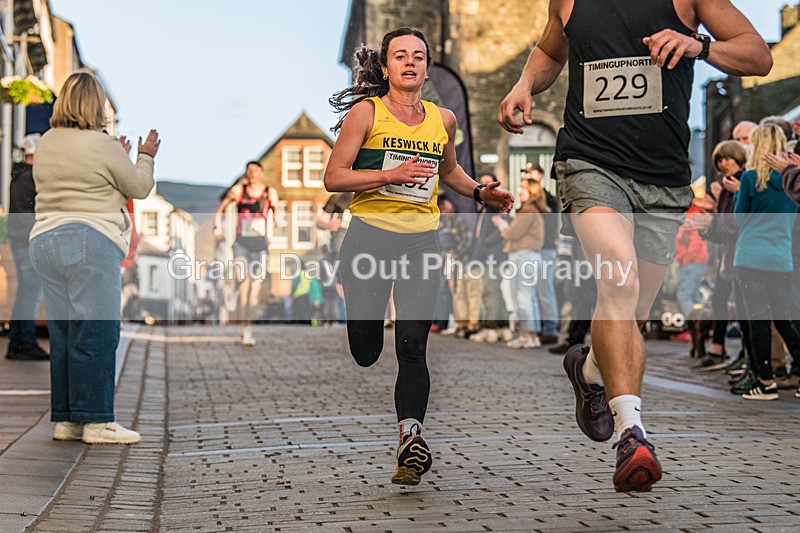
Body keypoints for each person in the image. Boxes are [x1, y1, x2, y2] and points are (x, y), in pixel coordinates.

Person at [498, 0, 771, 491]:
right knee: (617, 278)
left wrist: (698, 44)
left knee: (630, 314)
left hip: (662, 179)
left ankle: (590, 370)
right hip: (589, 162)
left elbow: (757, 56)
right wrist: (522, 84)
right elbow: (549, 52)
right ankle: (633, 435)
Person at [326, 27, 513, 486]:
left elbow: (448, 169)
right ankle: (362, 326)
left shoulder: (442, 119)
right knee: (367, 351)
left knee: (413, 345)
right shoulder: (366, 114)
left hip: (421, 243)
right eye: (400, 56)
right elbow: (335, 177)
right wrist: (390, 173)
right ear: (386, 66)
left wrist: (480, 191)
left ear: (427, 67)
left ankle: (411, 439)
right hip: (368, 239)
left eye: (418, 56)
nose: (410, 62)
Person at [29, 70, 160, 444]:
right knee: (98, 331)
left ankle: (67, 420)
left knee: (65, 332)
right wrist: (144, 157)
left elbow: (83, 187)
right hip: (89, 240)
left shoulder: (47, 143)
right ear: (95, 106)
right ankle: (98, 422)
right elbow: (138, 187)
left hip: (45, 240)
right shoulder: (102, 145)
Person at [214, 161, 280, 346]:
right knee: (241, 277)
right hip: (241, 243)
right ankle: (234, 289)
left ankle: (247, 330)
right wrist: (217, 228)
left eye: (255, 170)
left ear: (261, 173)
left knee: (254, 291)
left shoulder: (269, 192)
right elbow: (220, 209)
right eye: (249, 171)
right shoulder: (238, 191)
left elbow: (275, 210)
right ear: (246, 174)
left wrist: (277, 220)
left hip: (260, 245)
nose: (252, 173)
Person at [6, 133, 49, 360]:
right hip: (27, 241)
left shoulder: (20, 176)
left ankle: (20, 342)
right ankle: (23, 342)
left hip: (22, 240)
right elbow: (26, 214)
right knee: (30, 292)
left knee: (27, 292)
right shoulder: (28, 178)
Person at [493, 178, 549, 348]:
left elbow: (512, 233)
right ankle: (531, 334)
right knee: (528, 297)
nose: (519, 190)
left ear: (532, 192)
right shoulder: (534, 210)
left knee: (522, 296)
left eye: (523, 188)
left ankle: (527, 334)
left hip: (523, 256)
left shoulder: (528, 210)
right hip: (530, 256)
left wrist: (501, 224)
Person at [521, 163, 560, 344]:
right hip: (536, 249)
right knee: (535, 291)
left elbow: (551, 227)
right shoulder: (531, 200)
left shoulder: (548, 198)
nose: (528, 175)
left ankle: (550, 329)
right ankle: (539, 329)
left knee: (545, 290)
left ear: (540, 175)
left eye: (531, 172)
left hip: (545, 248)